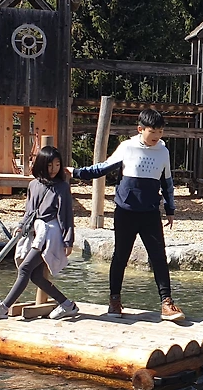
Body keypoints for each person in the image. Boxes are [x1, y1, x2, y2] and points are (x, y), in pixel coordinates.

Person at [71, 109, 184, 321]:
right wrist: (76, 172)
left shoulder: (163, 151)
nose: (157, 137)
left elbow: (167, 182)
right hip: (126, 211)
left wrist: (170, 209)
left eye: (160, 132)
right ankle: (114, 300)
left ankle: (167, 302)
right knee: (120, 256)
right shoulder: (127, 147)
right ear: (140, 129)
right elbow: (102, 168)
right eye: (152, 132)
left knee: (159, 257)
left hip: (150, 212)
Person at [0, 147, 79, 320]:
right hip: (35, 231)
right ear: (42, 165)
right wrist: (22, 225)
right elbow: (29, 211)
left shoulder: (62, 187)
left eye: (57, 164)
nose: (54, 169)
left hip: (49, 234)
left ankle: (4, 307)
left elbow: (66, 216)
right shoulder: (34, 185)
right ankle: (67, 305)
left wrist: (68, 241)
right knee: (36, 276)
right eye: (50, 165)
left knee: (25, 268)